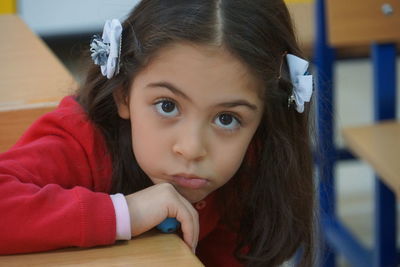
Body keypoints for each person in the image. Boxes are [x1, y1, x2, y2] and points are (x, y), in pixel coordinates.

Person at [0, 0, 315, 266]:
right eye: (167, 105)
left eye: (227, 119)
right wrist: (126, 213)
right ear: (124, 94)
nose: (191, 149)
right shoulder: (81, 139)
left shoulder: (250, 165)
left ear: (264, 119)